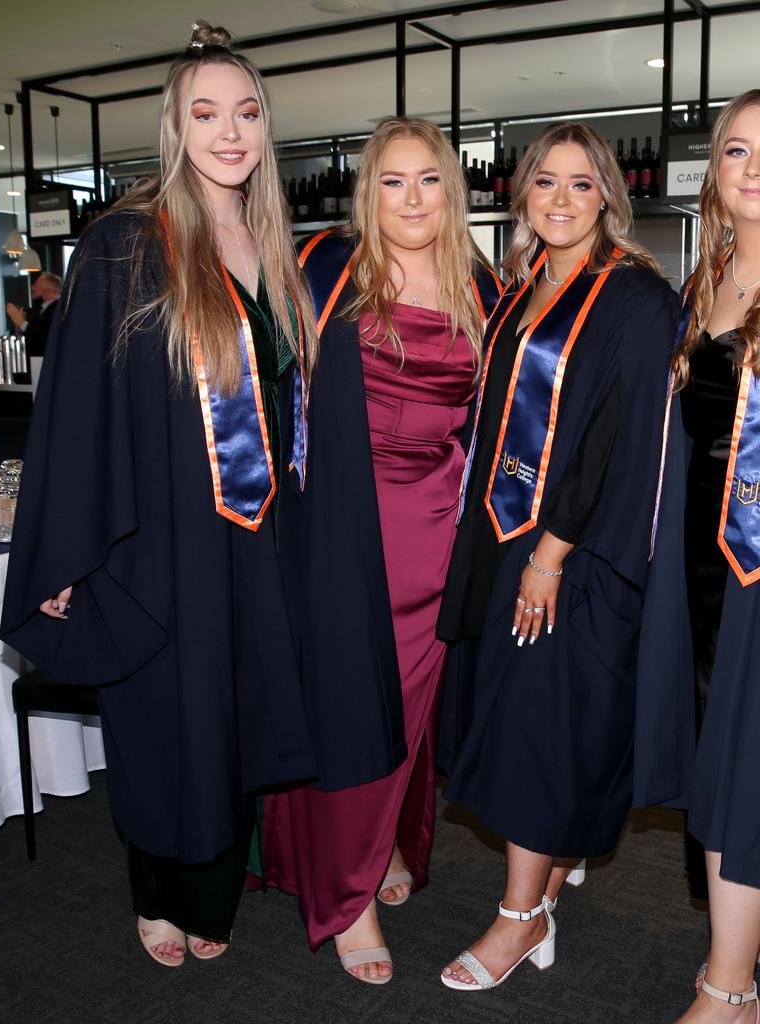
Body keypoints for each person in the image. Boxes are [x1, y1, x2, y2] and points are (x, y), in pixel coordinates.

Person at [0, 21, 400, 970]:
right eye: (206, 112)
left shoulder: (275, 247)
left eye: (247, 112)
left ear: (267, 127)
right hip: (163, 532)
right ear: (175, 126)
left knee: (237, 714)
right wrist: (67, 553)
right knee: (164, 718)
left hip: (259, 533)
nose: (230, 132)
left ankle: (212, 890)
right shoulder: (128, 243)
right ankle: (156, 895)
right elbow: (76, 412)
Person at [434, 121, 679, 993]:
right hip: (506, 542)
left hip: (573, 556)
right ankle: (540, 886)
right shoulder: (521, 286)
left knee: (541, 737)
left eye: (583, 184)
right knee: (520, 725)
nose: (563, 200)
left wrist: (551, 552)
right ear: (522, 193)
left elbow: (619, 439)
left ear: (610, 195)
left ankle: (519, 916)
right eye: (547, 182)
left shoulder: (638, 298)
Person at [258, 117, 502, 984]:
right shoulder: (325, 267)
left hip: (441, 521)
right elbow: (268, 396)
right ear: (369, 190)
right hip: (346, 526)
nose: (412, 198)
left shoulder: (483, 283)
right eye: (393, 181)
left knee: (411, 707)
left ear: (452, 189)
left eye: (429, 180)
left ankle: (383, 841)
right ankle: (349, 892)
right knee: (351, 701)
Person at [672, 89, 760, 1024]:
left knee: (749, 767)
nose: (753, 167)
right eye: (737, 151)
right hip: (703, 567)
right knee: (719, 761)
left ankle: (728, 985)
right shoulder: (710, 276)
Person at [6, 271, 62, 357]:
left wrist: (22, 323)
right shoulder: (35, 310)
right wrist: (18, 327)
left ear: (47, 291)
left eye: (36, 285)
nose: (32, 287)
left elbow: (48, 336)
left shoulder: (59, 309)